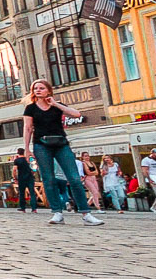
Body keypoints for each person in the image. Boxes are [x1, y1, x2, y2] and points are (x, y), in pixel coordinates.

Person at [22, 79, 101, 225]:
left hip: (61, 144)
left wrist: (55, 104)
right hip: (41, 145)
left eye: (41, 88)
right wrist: (27, 149)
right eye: (35, 88)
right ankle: (57, 213)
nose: (37, 90)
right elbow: (27, 128)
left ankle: (86, 213)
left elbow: (77, 114)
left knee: (74, 178)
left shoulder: (57, 106)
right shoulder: (30, 108)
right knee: (49, 179)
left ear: (48, 90)